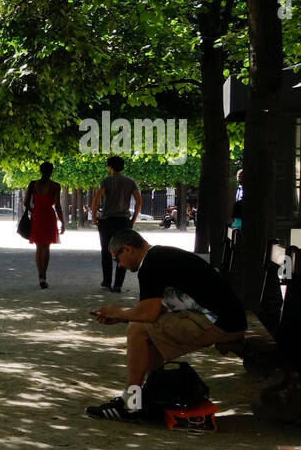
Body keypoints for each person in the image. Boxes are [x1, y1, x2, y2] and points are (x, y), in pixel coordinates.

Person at [86, 229, 247, 420]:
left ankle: (131, 403)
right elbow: (157, 309)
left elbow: (148, 312)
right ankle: (150, 397)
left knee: (138, 329)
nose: (119, 265)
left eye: (117, 259)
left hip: (219, 323)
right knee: (146, 329)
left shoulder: (150, 265)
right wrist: (123, 316)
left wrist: (116, 312)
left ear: (127, 249)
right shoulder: (159, 256)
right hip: (228, 320)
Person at [89, 156, 140, 293]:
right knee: (122, 252)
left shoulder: (105, 181)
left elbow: (96, 199)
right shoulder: (131, 182)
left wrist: (94, 217)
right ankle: (118, 285)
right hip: (123, 221)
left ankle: (106, 281)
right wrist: (133, 219)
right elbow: (139, 201)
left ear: (110, 167)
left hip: (107, 220)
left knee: (106, 250)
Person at [25, 161, 65, 289]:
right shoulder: (55, 186)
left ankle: (40, 276)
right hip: (49, 216)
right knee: (46, 247)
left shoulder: (32, 184)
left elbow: (26, 202)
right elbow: (57, 205)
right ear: (52, 171)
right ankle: (44, 276)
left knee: (38, 247)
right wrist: (63, 221)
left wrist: (35, 211)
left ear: (40, 171)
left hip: (37, 216)